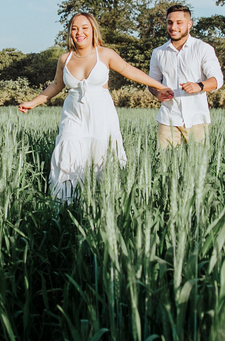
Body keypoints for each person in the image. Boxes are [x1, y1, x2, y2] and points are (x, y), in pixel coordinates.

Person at [20, 12, 173, 200]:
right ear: (70, 32)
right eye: (74, 29)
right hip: (73, 116)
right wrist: (33, 102)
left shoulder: (105, 54)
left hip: (101, 116)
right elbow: (56, 85)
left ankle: (102, 202)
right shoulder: (65, 59)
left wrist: (160, 86)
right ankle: (64, 204)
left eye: (84, 28)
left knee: (103, 158)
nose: (79, 33)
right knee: (67, 153)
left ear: (93, 30)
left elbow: (129, 70)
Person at [147, 4, 224, 148]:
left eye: (179, 23)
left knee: (198, 161)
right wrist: (157, 93)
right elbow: (152, 83)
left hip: (197, 119)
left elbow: (217, 80)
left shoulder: (203, 48)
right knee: (164, 161)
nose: (173, 27)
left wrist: (199, 86)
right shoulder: (158, 53)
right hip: (168, 119)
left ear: (189, 24)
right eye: (170, 22)